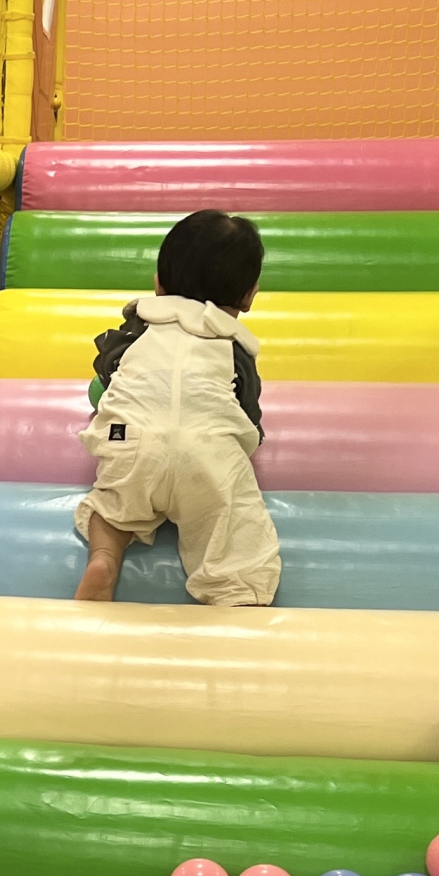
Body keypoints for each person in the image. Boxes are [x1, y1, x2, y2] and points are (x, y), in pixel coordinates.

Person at [72, 209, 280, 606]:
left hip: (131, 442)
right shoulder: (233, 347)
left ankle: (104, 559)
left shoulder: (137, 327)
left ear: (158, 284)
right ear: (249, 295)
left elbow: (108, 368)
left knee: (112, 507)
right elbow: (248, 412)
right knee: (233, 532)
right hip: (206, 454)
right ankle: (238, 596)